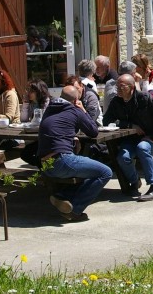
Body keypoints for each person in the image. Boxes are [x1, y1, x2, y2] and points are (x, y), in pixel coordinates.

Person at [38, 85, 113, 222]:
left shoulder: (50, 108)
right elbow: (93, 131)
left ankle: (62, 196)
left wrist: (72, 136)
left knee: (86, 169)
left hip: (44, 164)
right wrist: (82, 110)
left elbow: (57, 127)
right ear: (75, 100)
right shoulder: (74, 110)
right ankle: (74, 209)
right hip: (62, 161)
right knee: (105, 172)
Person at [103, 74, 153, 202]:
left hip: (152, 140)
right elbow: (107, 121)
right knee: (122, 157)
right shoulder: (116, 101)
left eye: (121, 86)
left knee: (142, 148)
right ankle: (134, 181)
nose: (118, 89)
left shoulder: (144, 98)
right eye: (117, 86)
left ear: (132, 87)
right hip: (130, 140)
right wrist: (128, 125)